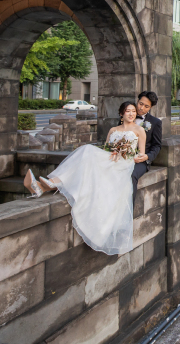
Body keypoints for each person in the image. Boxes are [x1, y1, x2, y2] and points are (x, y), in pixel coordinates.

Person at [23, 101, 145, 255]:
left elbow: (141, 153)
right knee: (86, 151)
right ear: (121, 113)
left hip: (124, 164)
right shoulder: (113, 130)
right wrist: (114, 151)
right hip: (110, 159)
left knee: (87, 152)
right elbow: (106, 149)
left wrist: (127, 153)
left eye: (133, 111)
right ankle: (49, 184)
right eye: (128, 111)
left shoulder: (140, 130)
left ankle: (48, 185)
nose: (131, 114)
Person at [132, 91, 163, 196]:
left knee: (132, 175)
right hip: (125, 155)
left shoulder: (155, 122)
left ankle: (129, 209)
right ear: (137, 101)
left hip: (141, 160)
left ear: (150, 108)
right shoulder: (127, 115)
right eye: (140, 104)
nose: (141, 108)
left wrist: (147, 157)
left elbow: (157, 145)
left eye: (146, 106)